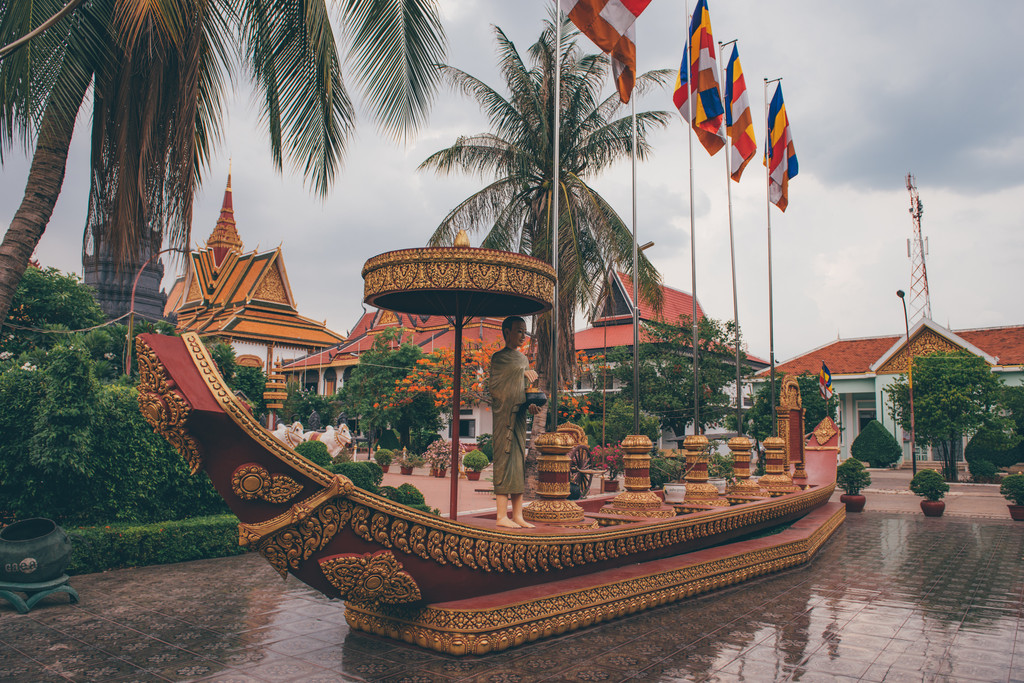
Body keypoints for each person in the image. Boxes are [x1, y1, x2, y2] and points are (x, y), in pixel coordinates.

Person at [488, 316, 541, 528]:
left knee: (518, 462)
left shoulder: (523, 360)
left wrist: (531, 405)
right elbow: (496, 388)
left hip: (518, 417)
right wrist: (520, 375)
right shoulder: (498, 358)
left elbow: (525, 390)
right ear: (507, 332)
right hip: (504, 419)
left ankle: (518, 514)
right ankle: (502, 516)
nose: (522, 335)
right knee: (504, 461)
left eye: (524, 331)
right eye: (518, 331)